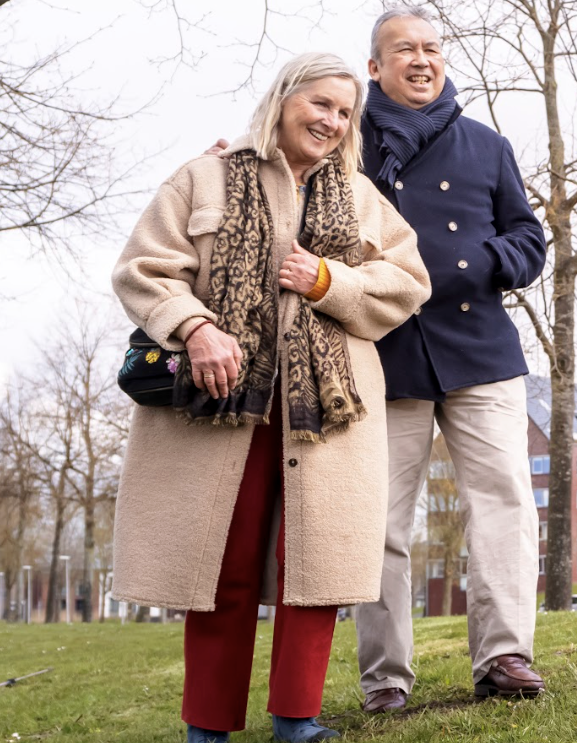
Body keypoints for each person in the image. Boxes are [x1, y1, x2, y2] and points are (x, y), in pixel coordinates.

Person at [112, 53, 431, 743]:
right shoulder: (203, 177)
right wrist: (196, 328)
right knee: (218, 563)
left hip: (329, 412)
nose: (332, 121)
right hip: (221, 401)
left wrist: (329, 281)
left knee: (313, 566)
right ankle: (207, 726)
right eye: (320, 104)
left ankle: (297, 719)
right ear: (284, 100)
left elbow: (408, 284)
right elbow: (143, 268)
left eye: (344, 112)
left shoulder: (362, 195)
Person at [352, 7, 549, 713]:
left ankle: (504, 656)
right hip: (385, 351)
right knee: (378, 521)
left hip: (480, 347)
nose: (421, 59)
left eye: (432, 47)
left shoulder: (486, 145)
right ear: (374, 67)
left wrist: (480, 262)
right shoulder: (346, 142)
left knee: (504, 503)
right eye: (404, 49)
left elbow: (529, 239)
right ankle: (385, 678)